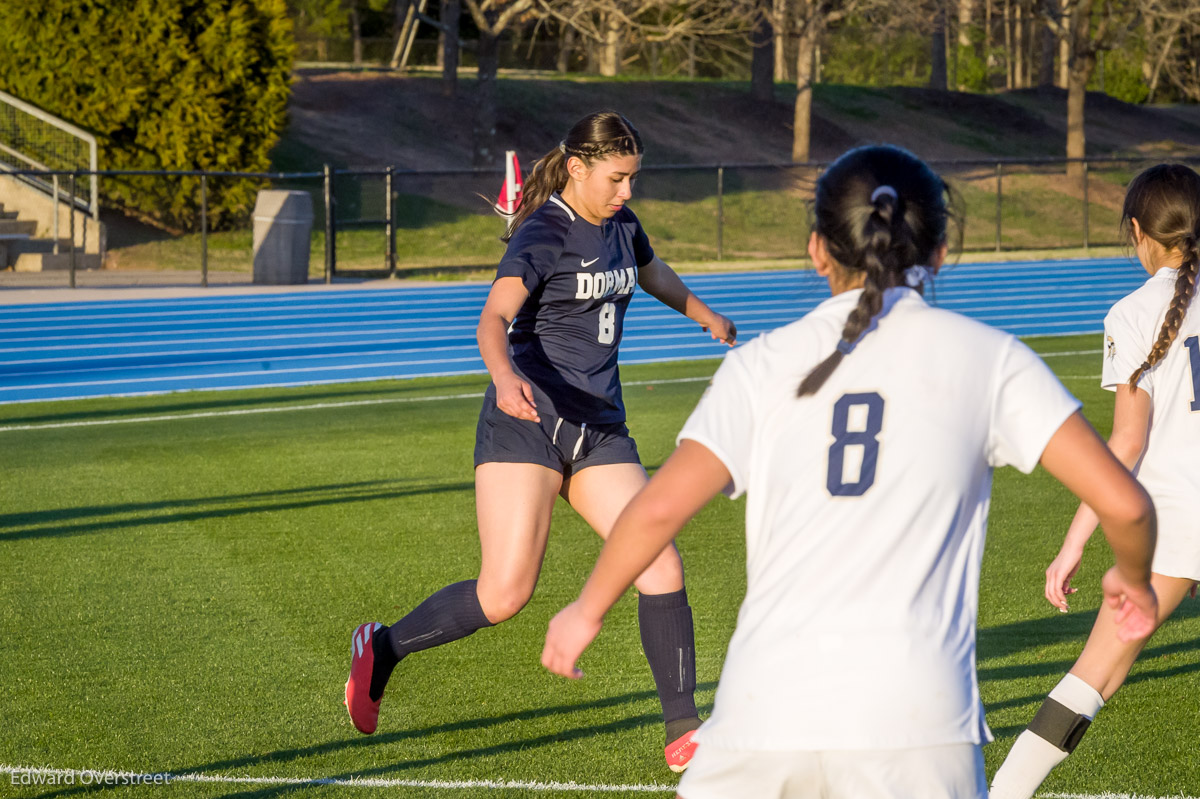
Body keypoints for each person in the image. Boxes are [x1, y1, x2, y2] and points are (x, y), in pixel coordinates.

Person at [541, 144, 1159, 799]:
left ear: (817, 248)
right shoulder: (990, 359)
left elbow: (656, 510)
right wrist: (1134, 578)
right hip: (918, 727)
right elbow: (1127, 506)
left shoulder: (763, 364)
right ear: (940, 252)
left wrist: (586, 609)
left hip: (762, 716)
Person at [344, 110, 737, 772]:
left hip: (599, 428)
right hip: (526, 420)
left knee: (660, 561)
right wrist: (502, 377)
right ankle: (381, 649)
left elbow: (651, 270)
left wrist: (704, 315)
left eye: (633, 179)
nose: (627, 192)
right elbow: (494, 316)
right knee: (504, 594)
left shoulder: (621, 224)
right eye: (617, 179)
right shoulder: (544, 232)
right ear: (579, 168)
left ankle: (683, 729)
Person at [988, 163, 1200, 799]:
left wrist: (1076, 539)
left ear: (1137, 231)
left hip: (1175, 520)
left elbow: (1126, 446)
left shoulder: (1134, 312)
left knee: (1094, 675)